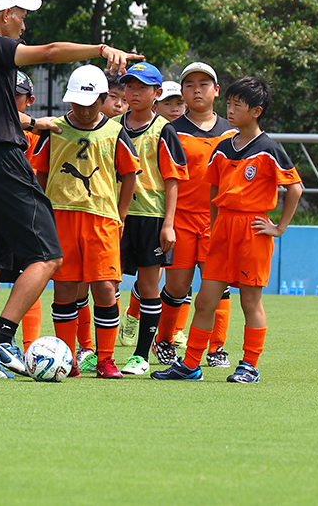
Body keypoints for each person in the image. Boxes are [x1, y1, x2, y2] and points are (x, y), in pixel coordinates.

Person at [0, 0, 140, 374]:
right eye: (22, 14)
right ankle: (2, 338)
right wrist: (101, 51)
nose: (23, 23)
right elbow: (49, 53)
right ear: (5, 15)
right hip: (3, 162)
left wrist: (34, 122)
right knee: (49, 256)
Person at [153, 76, 303, 383]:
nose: (230, 110)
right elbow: (213, 187)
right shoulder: (223, 147)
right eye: (229, 103)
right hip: (221, 229)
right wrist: (214, 221)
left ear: (256, 111)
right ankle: (191, 364)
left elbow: (296, 188)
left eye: (238, 105)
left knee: (250, 300)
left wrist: (278, 228)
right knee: (205, 300)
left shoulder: (269, 149)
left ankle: (249, 365)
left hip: (254, 230)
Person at [31, 66, 139, 378]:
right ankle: (68, 359)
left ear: (103, 99)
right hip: (60, 218)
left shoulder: (115, 132)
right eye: (76, 102)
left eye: (90, 103)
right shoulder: (55, 129)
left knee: (105, 288)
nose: (82, 109)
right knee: (65, 289)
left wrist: (120, 215)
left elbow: (129, 175)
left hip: (102, 219)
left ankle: (106, 359)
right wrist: (41, 211)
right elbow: (38, 171)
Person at [152, 62, 236, 367]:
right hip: (182, 220)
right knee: (178, 287)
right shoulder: (170, 130)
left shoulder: (232, 131)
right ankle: (164, 340)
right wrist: (167, 222)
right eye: (190, 85)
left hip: (219, 222)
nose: (197, 90)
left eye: (204, 84)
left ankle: (216, 349)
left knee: (219, 286)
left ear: (216, 91)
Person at [115, 62, 187, 375]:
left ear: (156, 93)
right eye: (129, 86)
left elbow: (173, 180)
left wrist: (168, 224)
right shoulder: (113, 125)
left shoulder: (164, 130)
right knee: (104, 283)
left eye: (142, 87)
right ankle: (97, 352)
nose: (134, 92)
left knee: (147, 285)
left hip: (150, 217)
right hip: (115, 215)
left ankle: (141, 356)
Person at [11, 70, 44, 350]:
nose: (10, 99)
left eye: (17, 95)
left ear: (30, 100)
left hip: (28, 214)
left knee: (31, 276)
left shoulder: (38, 135)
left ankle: (31, 346)